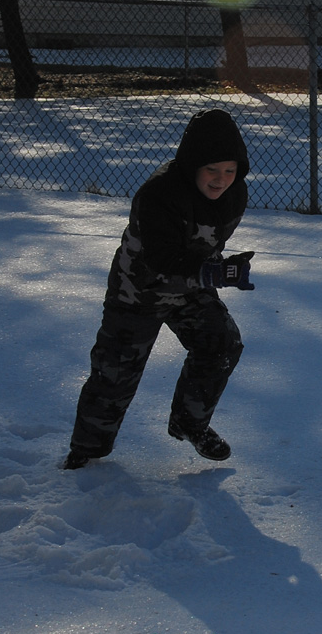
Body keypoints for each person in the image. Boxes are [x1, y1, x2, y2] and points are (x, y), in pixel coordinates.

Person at [63, 109, 256, 469]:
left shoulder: (235, 194)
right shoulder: (159, 195)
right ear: (192, 165)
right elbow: (160, 260)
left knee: (222, 343)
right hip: (137, 291)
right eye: (212, 170)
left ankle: (190, 423)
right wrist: (213, 274)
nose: (221, 180)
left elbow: (205, 243)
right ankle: (86, 454)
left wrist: (221, 269)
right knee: (115, 374)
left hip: (190, 287)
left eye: (230, 171)